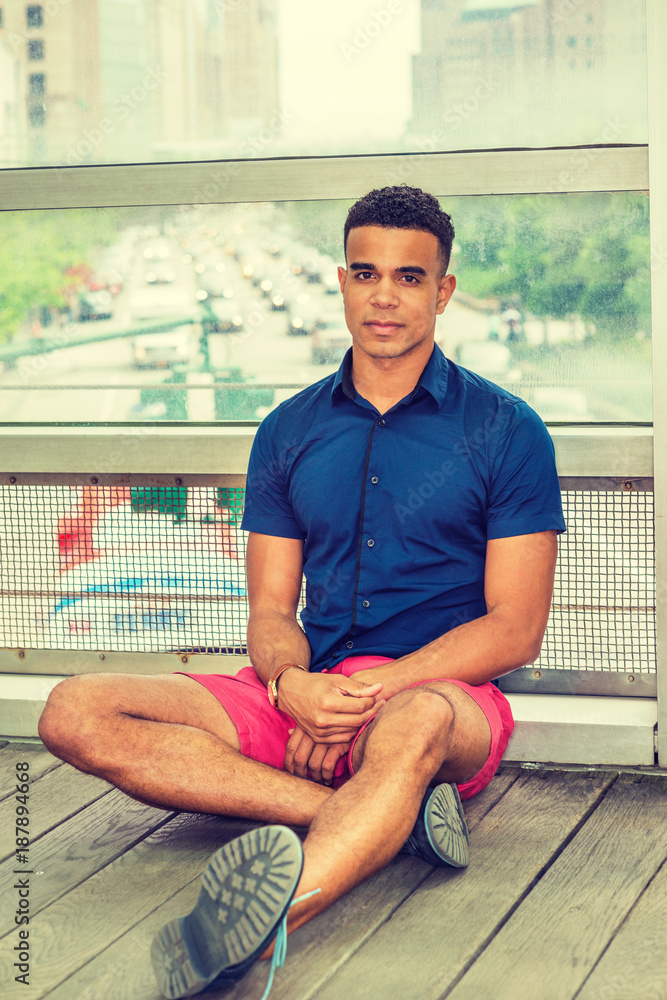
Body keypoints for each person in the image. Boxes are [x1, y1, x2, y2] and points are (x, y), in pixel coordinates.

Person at [38, 185, 566, 999]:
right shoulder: (287, 430)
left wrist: (363, 692)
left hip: (438, 694)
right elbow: (270, 612)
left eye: (409, 276)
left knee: (416, 720)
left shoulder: (506, 429)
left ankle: (249, 933)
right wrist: (291, 687)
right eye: (365, 272)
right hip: (307, 684)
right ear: (342, 281)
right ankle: (373, 822)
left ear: (443, 291)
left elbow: (515, 629)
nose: (383, 295)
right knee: (74, 709)